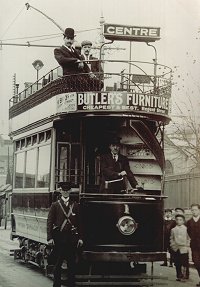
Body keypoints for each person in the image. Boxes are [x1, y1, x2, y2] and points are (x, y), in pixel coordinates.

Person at [47, 182, 83, 287]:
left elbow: (80, 223)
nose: (66, 192)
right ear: (60, 191)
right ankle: (56, 285)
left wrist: (80, 238)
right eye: (64, 190)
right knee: (57, 265)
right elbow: (49, 222)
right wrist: (50, 237)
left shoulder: (75, 205)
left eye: (67, 190)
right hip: (59, 239)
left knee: (72, 265)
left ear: (70, 191)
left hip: (72, 240)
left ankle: (71, 284)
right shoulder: (55, 205)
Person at [170, 214, 190, 282]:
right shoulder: (173, 230)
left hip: (184, 248)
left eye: (180, 220)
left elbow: (188, 238)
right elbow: (171, 239)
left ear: (183, 221)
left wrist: (187, 245)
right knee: (177, 263)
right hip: (176, 248)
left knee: (184, 263)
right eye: (177, 220)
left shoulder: (186, 229)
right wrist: (173, 245)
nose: (179, 221)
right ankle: (178, 275)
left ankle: (184, 275)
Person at [187, 204, 200, 287]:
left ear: (199, 210)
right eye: (192, 210)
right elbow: (189, 232)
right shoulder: (189, 222)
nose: (194, 211)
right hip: (194, 245)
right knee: (196, 262)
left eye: (195, 209)